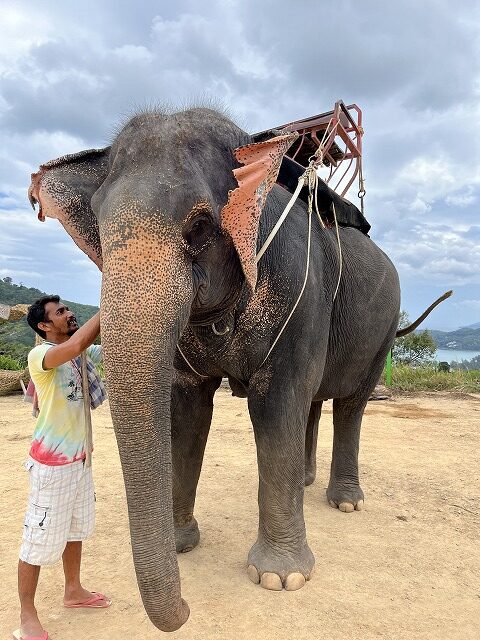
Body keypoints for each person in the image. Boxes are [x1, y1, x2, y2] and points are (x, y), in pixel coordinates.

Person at [15, 295, 110, 640]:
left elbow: (102, 348)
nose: (69, 313)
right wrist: (111, 299)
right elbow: (78, 342)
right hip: (51, 466)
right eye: (60, 312)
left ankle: (73, 591)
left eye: (68, 309)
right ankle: (27, 616)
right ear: (44, 326)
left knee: (75, 531)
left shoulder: (79, 354)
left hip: (81, 461)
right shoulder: (41, 356)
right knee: (35, 542)